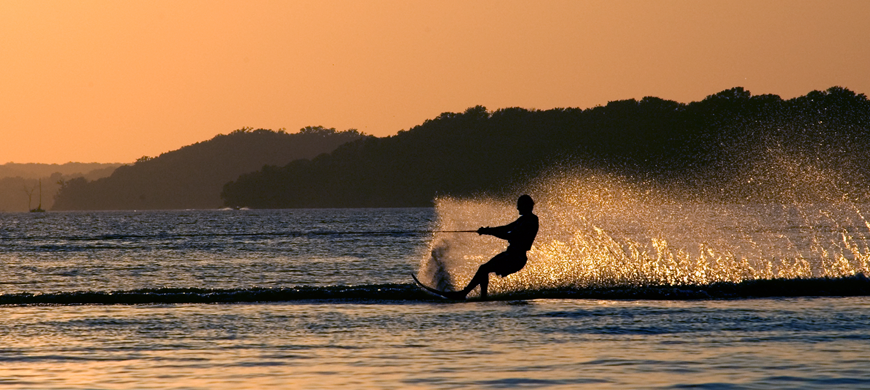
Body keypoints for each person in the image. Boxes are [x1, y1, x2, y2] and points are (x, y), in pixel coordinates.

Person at [447, 195, 539, 300]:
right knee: (484, 269)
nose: (517, 208)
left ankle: (466, 294)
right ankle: (481, 297)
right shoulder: (523, 219)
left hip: (516, 258)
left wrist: (490, 232)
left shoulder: (530, 220)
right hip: (511, 255)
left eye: (519, 205)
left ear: (526, 206)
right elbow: (506, 228)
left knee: (484, 269)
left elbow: (509, 235)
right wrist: (487, 230)